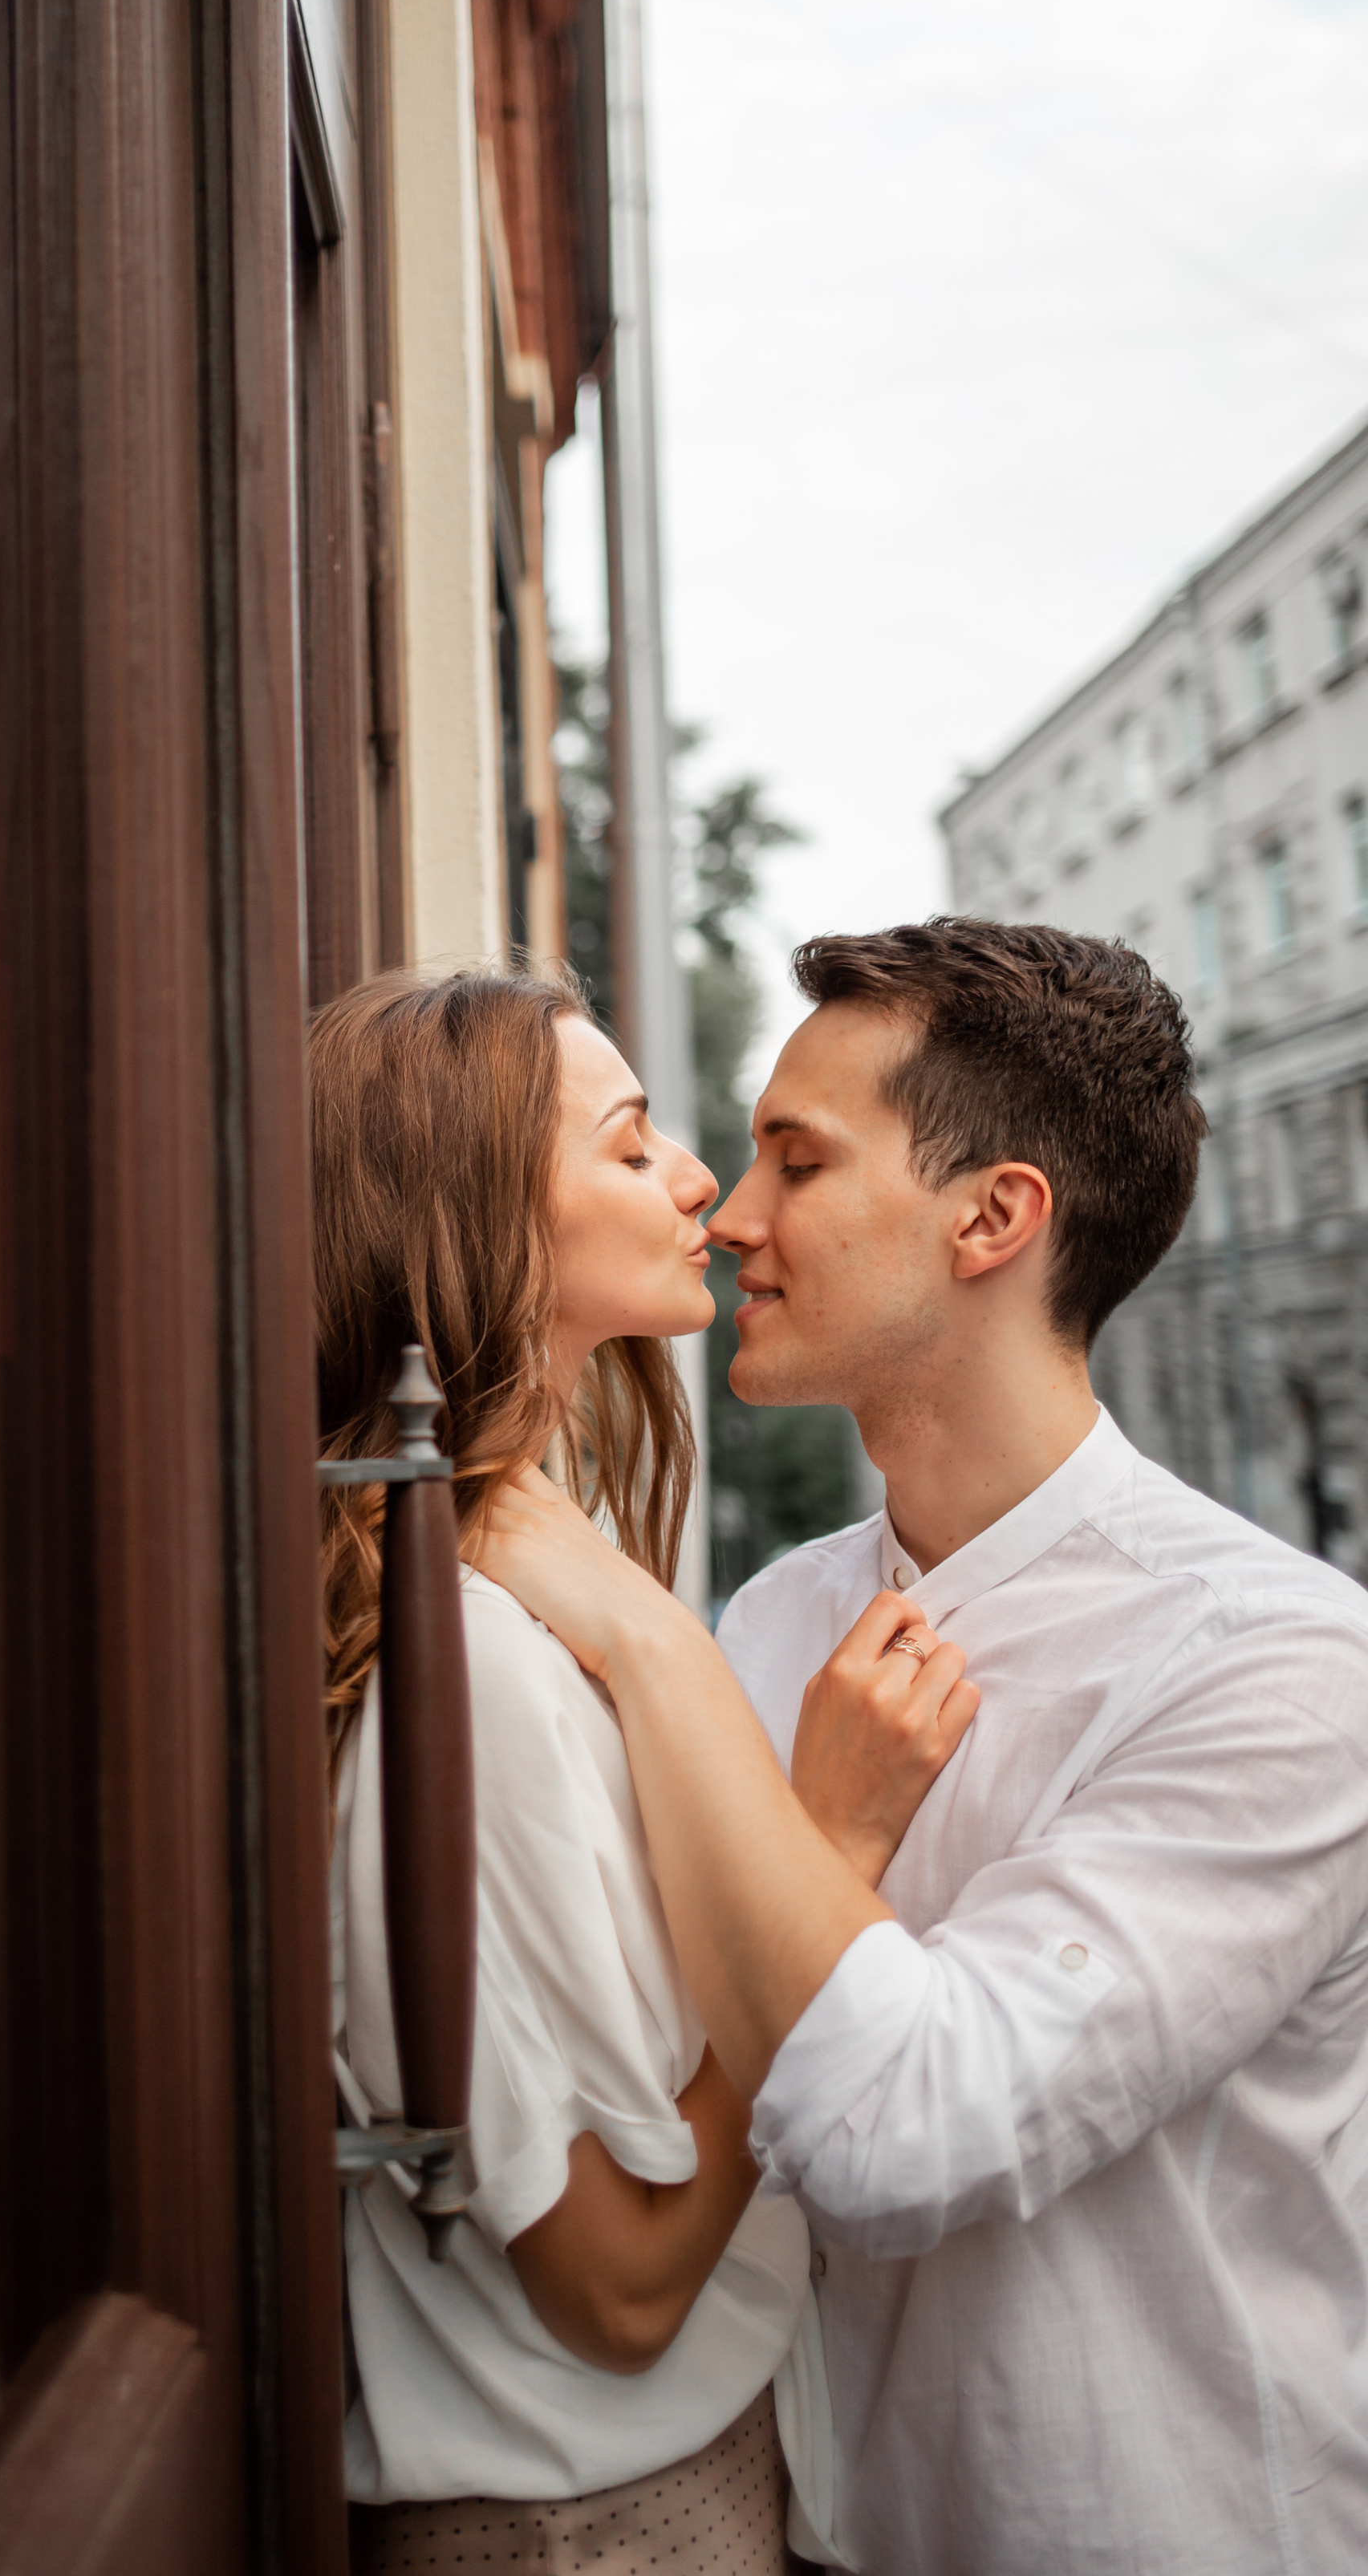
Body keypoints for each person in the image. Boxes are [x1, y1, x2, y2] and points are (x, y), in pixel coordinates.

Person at [476, 919, 1368, 2576]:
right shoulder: (771, 1622)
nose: (727, 1217)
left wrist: (632, 1629)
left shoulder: (1281, 1666)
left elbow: (900, 2131)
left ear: (990, 1218)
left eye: (792, 1162)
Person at [315, 969, 977, 2574]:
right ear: (476, 1219)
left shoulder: (541, 1590)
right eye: (629, 1148)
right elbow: (612, 2288)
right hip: (583, 2523)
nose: (699, 1185)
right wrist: (825, 1850)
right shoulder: (475, 1655)